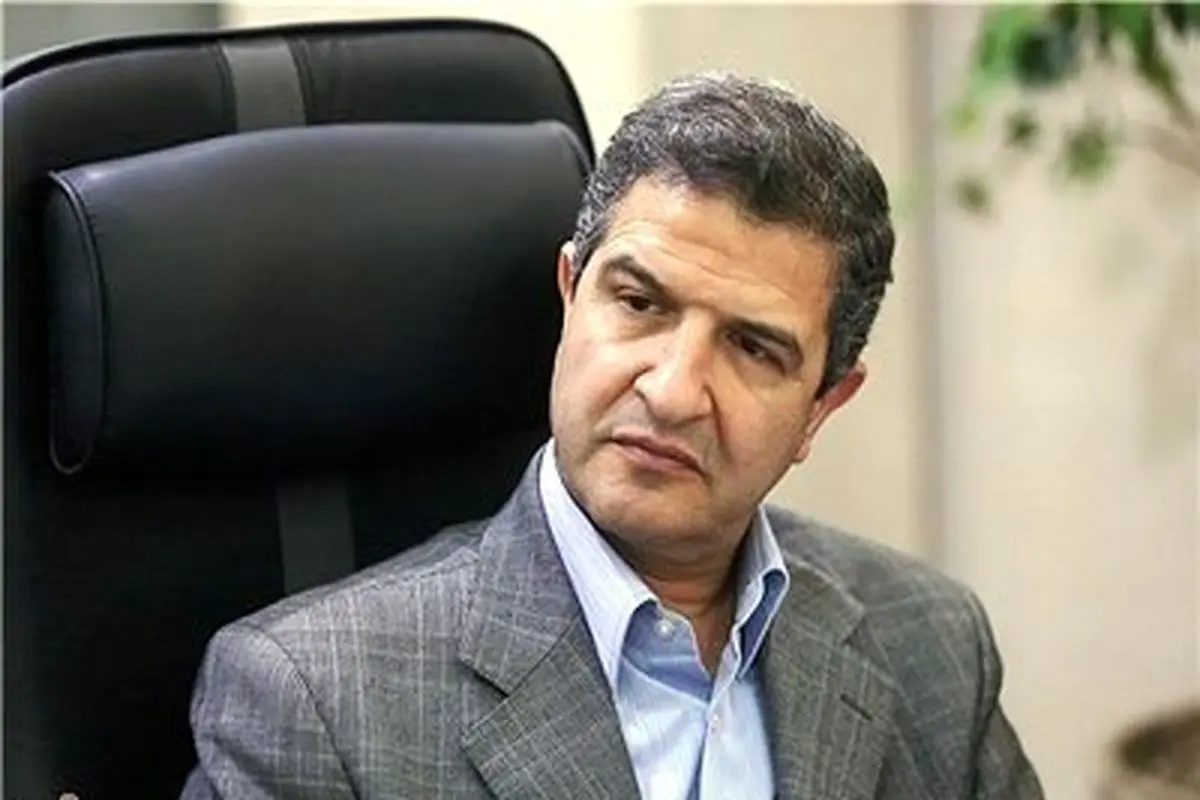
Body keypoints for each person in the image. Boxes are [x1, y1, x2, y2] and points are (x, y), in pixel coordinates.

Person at [181, 72, 1043, 799]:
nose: (672, 393)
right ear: (570, 292)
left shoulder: (930, 640)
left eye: (752, 348)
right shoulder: (315, 701)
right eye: (638, 303)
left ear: (822, 406)